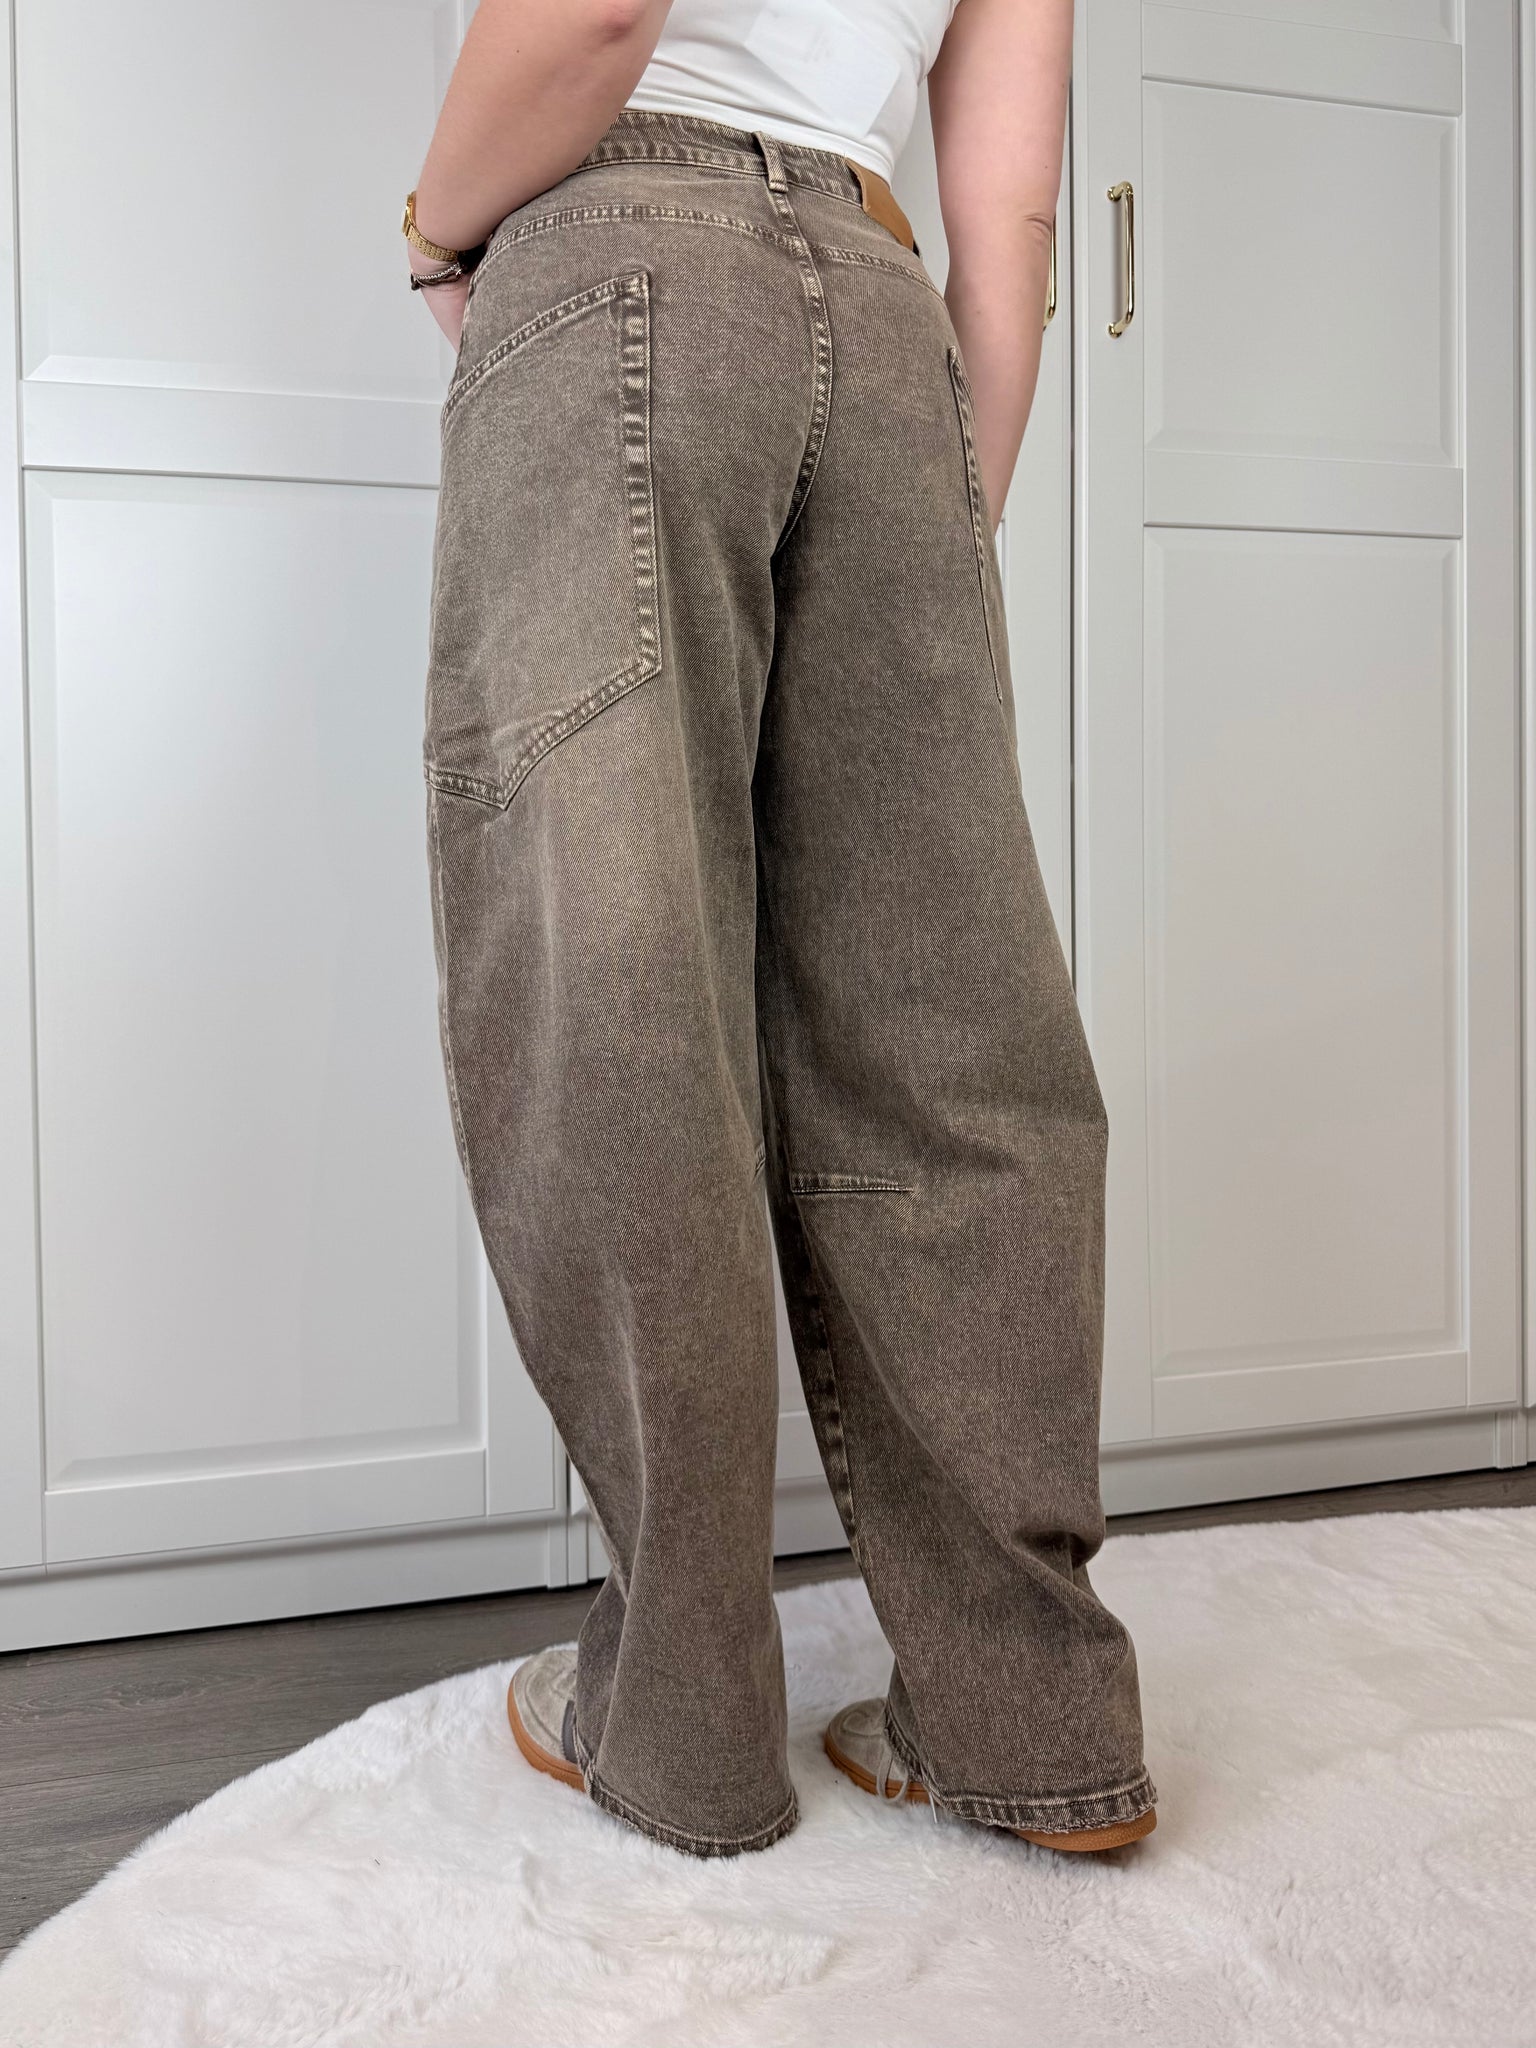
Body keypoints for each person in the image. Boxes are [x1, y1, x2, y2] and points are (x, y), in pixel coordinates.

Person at [402, 0, 1156, 1860]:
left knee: (619, 985)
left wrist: (436, 231)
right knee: (953, 1031)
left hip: (619, 251)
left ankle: (683, 1721)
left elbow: (594, 17)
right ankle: (1033, 1719)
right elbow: (1015, 208)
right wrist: (944, 506)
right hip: (891, 322)